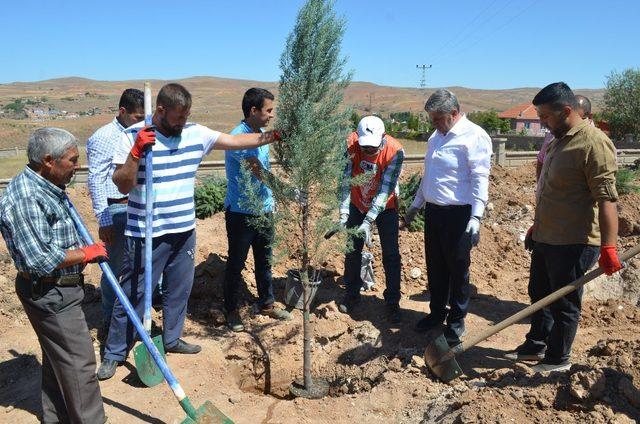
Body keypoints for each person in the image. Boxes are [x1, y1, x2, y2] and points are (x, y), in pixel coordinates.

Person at [97, 83, 282, 380]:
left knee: (178, 290)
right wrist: (135, 154)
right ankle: (115, 352)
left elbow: (234, 141)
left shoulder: (195, 133)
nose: (183, 123)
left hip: (183, 229)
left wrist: (273, 136)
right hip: (146, 231)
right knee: (134, 291)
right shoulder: (130, 137)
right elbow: (122, 185)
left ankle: (171, 338)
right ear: (160, 111)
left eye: (186, 116)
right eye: (178, 117)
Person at [506, 82, 621, 372]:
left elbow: (607, 199)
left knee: (564, 303)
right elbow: (550, 190)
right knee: (539, 294)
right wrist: (537, 226)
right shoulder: (559, 139)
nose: (542, 123)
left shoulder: (593, 143)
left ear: (566, 111)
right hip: (547, 236)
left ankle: (557, 360)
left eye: (545, 117)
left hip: (573, 241)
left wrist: (609, 247)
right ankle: (536, 345)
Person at [0, 128, 106, 423]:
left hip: (59, 288)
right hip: (50, 291)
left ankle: (56, 418)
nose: (78, 165)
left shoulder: (46, 184)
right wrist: (87, 253)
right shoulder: (25, 198)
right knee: (80, 365)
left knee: (59, 360)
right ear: (48, 160)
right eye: (72, 160)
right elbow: (40, 259)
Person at [402, 89, 492, 346]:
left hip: (459, 214)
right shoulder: (436, 137)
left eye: (438, 119)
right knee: (436, 266)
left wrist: (476, 217)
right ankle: (436, 313)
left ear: (454, 113)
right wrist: (417, 205)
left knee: (457, 269)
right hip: (434, 213)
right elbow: (428, 175)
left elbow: (480, 179)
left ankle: (456, 321)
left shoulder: (474, 137)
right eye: (432, 119)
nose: (434, 124)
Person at [223, 88, 291, 331]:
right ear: (253, 111)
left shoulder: (261, 134)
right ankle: (230, 309)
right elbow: (256, 169)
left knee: (264, 260)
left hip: (264, 209)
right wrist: (286, 192)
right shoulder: (238, 137)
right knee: (236, 263)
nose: (272, 115)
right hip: (241, 212)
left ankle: (267, 303)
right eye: (268, 110)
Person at [337, 115, 404, 324]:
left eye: (373, 148)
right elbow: (345, 181)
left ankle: (393, 303)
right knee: (352, 250)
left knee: (391, 255)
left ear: (383, 138)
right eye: (365, 148)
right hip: (357, 203)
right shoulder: (350, 145)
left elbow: (385, 189)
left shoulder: (395, 151)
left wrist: (369, 221)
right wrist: (343, 213)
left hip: (386, 207)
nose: (368, 152)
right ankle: (352, 294)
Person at [87, 88, 145, 327]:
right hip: (117, 210)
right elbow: (96, 179)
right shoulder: (104, 137)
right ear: (123, 111)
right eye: (137, 118)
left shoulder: (142, 134)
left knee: (140, 265)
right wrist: (105, 220)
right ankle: (110, 321)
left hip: (140, 209)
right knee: (114, 271)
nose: (142, 123)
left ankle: (136, 316)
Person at [536, 94, 594, 181]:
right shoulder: (554, 133)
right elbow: (541, 160)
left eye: (579, 118)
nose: (573, 122)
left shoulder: (596, 142)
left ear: (590, 117)